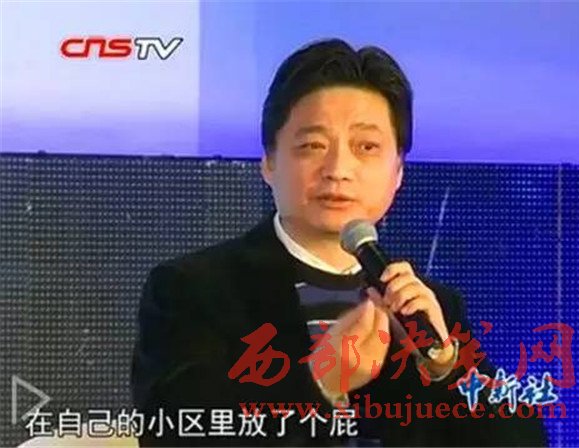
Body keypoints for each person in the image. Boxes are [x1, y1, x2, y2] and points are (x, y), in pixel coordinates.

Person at [131, 38, 547, 447]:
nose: (338, 169)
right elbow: (174, 435)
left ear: (398, 172)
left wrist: (447, 367)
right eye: (313, 145)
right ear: (270, 162)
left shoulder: (428, 307)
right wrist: (321, 382)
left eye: (366, 147)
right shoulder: (192, 288)